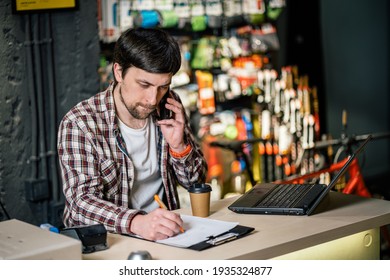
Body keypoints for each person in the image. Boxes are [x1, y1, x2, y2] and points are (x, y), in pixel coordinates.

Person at [57, 27, 208, 241]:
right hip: (109, 242)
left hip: (167, 237)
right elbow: (81, 204)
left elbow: (197, 182)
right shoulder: (81, 123)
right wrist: (137, 223)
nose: (152, 99)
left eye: (163, 87)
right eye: (144, 84)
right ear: (118, 72)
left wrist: (179, 147)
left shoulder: (168, 105)